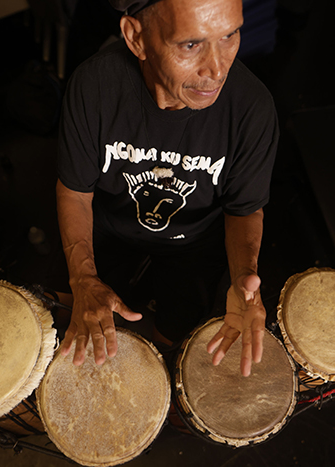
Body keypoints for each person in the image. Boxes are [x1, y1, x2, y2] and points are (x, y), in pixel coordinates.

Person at [56, 0, 278, 376]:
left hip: (194, 243)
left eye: (229, 35)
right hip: (108, 229)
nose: (217, 68)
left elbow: (243, 208)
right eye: (190, 45)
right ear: (136, 37)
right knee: (86, 327)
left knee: (172, 336)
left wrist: (243, 274)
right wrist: (83, 277)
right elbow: (76, 192)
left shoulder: (251, 108)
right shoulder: (94, 86)